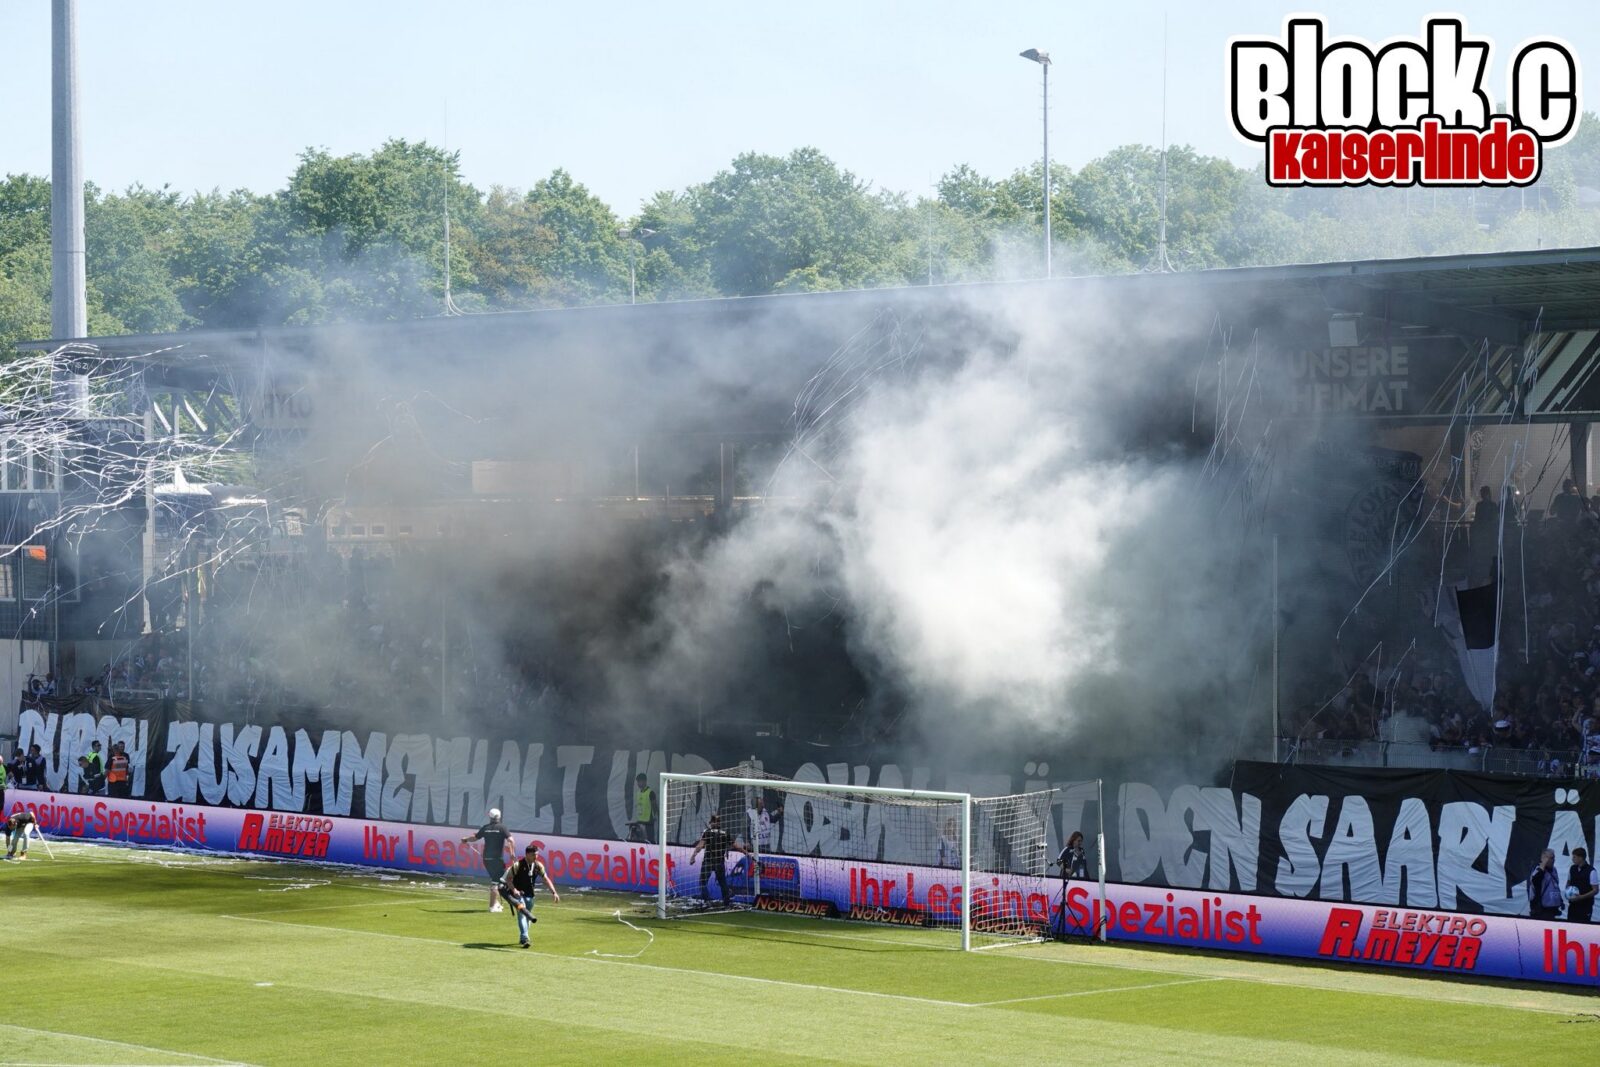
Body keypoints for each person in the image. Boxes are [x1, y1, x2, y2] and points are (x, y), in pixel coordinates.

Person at [497, 843, 561, 947]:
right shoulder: (518, 865)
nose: (536, 857)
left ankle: (523, 936)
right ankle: (525, 938)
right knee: (522, 914)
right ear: (527, 854)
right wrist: (514, 890)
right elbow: (508, 879)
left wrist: (554, 892)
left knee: (528, 916)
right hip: (518, 895)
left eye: (537, 855)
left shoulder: (538, 866)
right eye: (533, 855)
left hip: (530, 895)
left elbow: (546, 879)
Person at [461, 808, 515, 913]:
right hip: (497, 860)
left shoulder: (485, 828)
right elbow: (511, 840)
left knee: (498, 881)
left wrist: (466, 839)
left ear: (489, 816)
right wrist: (512, 854)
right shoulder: (502, 828)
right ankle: (492, 907)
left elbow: (475, 837)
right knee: (496, 882)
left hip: (486, 859)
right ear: (499, 816)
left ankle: (496, 903)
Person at [690, 814, 746, 906]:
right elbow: (736, 846)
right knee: (723, 883)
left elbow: (700, 845)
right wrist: (745, 852)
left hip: (708, 861)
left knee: (703, 882)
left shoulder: (708, 832)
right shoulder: (725, 833)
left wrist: (693, 856)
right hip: (719, 862)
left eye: (712, 822)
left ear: (713, 822)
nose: (711, 823)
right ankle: (726, 902)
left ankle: (706, 900)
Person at [1530, 849, 1565, 920]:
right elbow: (1535, 881)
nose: (1554, 860)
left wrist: (1560, 901)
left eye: (1554, 858)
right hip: (1541, 910)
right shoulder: (1538, 870)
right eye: (1551, 858)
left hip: (1552, 908)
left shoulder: (1554, 870)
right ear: (1544, 859)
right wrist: (1543, 864)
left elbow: (1555, 886)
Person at [1568, 847, 1598, 923]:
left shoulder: (1591, 871)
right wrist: (1568, 892)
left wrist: (1581, 897)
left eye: (1574, 857)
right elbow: (1568, 881)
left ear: (1580, 858)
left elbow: (1595, 890)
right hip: (1573, 905)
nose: (1572, 859)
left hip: (1585, 907)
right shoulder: (1572, 868)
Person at [627, 773, 655, 844]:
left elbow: (654, 806)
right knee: (640, 842)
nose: (638, 783)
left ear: (645, 781)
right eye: (638, 782)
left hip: (648, 823)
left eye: (640, 781)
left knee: (649, 842)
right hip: (640, 822)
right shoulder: (638, 793)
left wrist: (655, 817)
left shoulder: (650, 793)